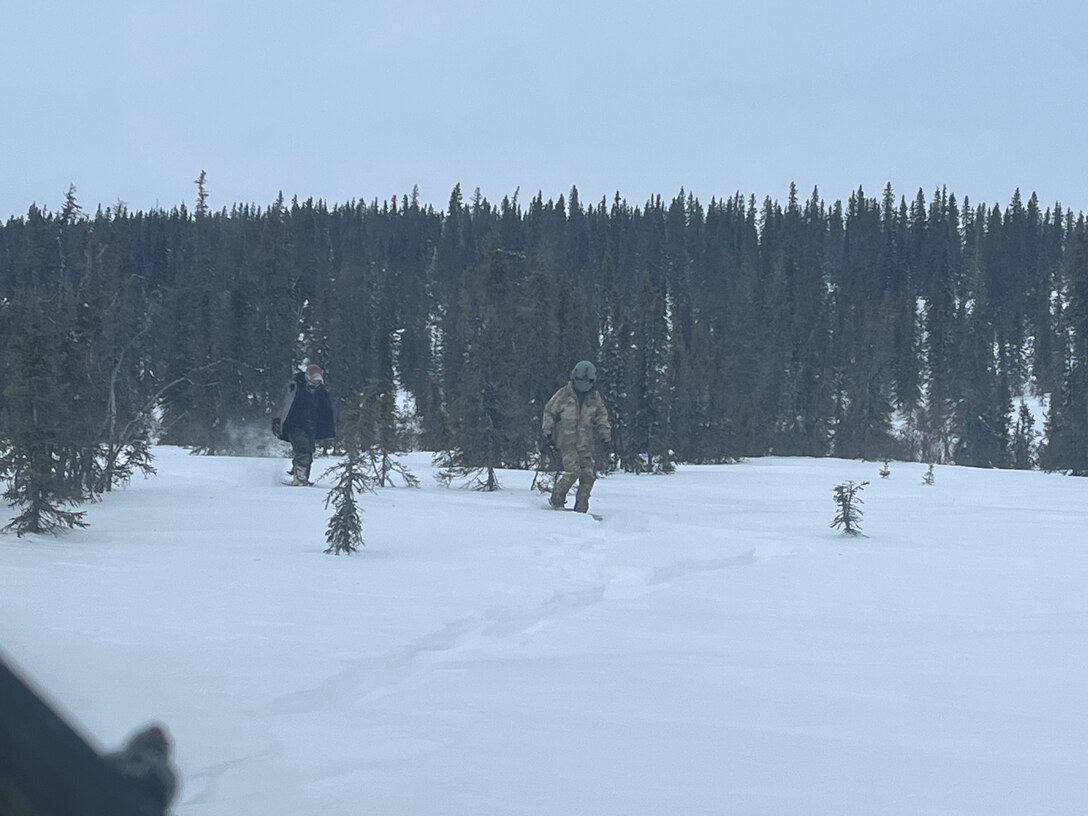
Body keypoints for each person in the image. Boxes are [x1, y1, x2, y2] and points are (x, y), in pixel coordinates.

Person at [540, 360, 611, 513]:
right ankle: (556, 500)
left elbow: (602, 417)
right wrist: (547, 433)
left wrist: (605, 436)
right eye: (580, 380)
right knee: (573, 471)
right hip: (566, 441)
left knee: (588, 475)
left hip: (586, 443)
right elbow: (549, 412)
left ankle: (581, 508)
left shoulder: (594, 398)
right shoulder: (563, 394)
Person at [272, 363, 336, 485]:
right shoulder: (295, 387)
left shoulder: (321, 393)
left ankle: (301, 475)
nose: (316, 380)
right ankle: (300, 478)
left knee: (309, 451)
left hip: (310, 426)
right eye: (314, 377)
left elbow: (326, 411)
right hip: (293, 424)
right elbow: (282, 404)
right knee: (303, 448)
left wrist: (328, 428)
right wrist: (277, 421)